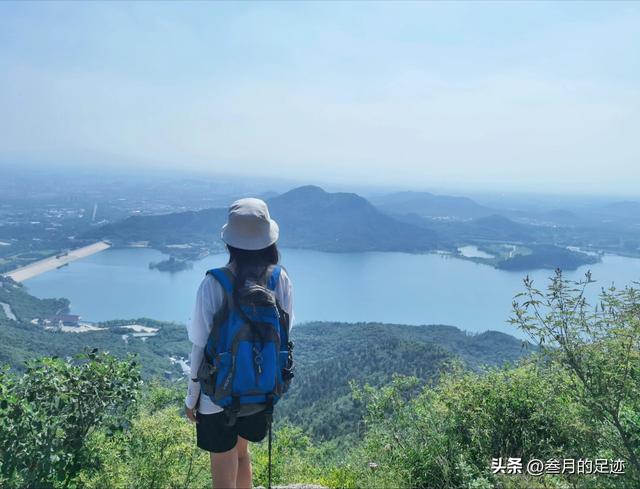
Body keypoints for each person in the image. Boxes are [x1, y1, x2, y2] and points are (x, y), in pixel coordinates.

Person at [185, 197, 294, 489]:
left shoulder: (214, 283)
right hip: (258, 388)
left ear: (230, 242)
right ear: (268, 240)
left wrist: (191, 397)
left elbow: (199, 344)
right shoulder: (279, 279)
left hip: (216, 392)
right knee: (243, 455)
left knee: (222, 461)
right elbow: (284, 333)